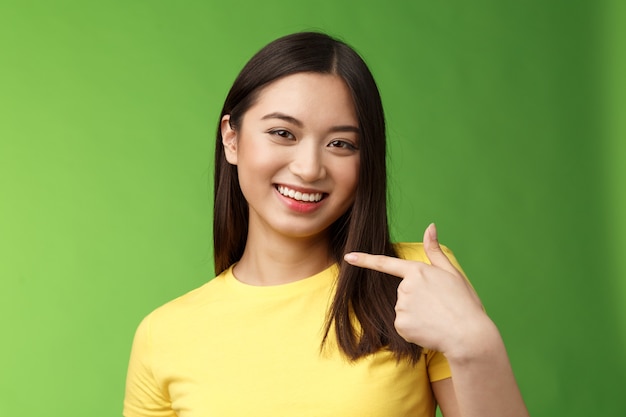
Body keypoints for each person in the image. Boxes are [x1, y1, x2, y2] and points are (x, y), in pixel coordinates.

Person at [123, 32, 529, 417]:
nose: (309, 168)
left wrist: (476, 343)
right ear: (231, 139)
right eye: (283, 133)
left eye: (341, 144)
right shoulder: (164, 335)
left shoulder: (418, 283)